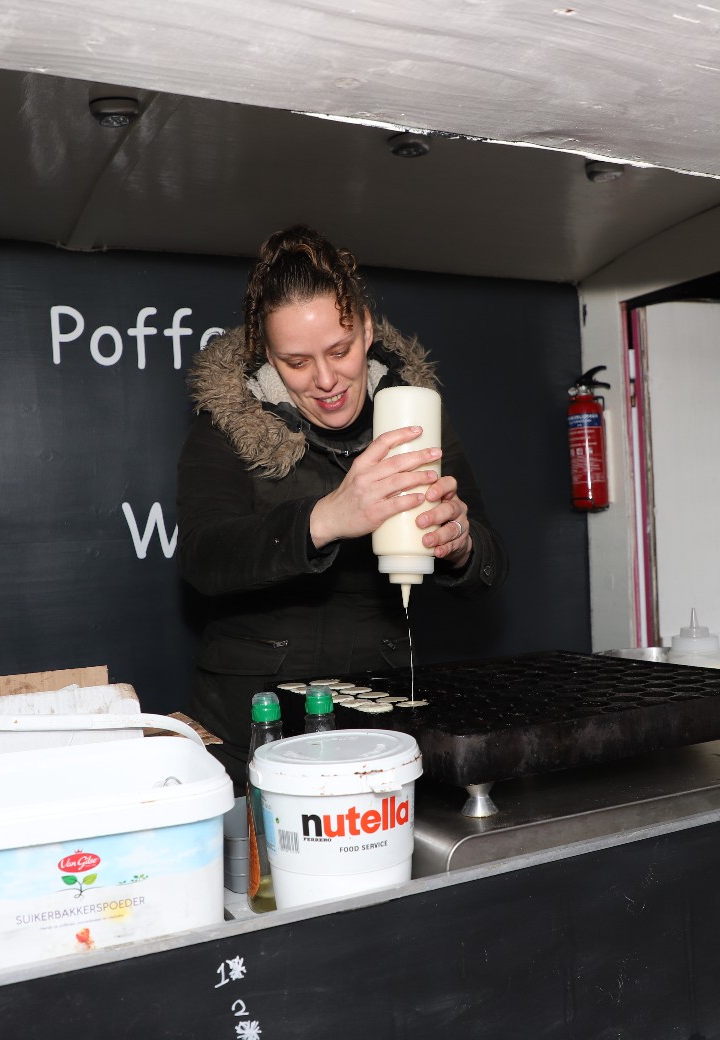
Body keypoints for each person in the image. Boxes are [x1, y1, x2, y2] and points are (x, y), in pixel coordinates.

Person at [177, 225, 507, 782]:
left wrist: (462, 545)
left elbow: (493, 565)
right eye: (297, 362)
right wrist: (326, 518)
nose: (326, 380)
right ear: (267, 354)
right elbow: (204, 558)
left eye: (340, 350)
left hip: (379, 717)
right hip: (252, 727)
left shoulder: (416, 416)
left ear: (367, 330)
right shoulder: (227, 426)